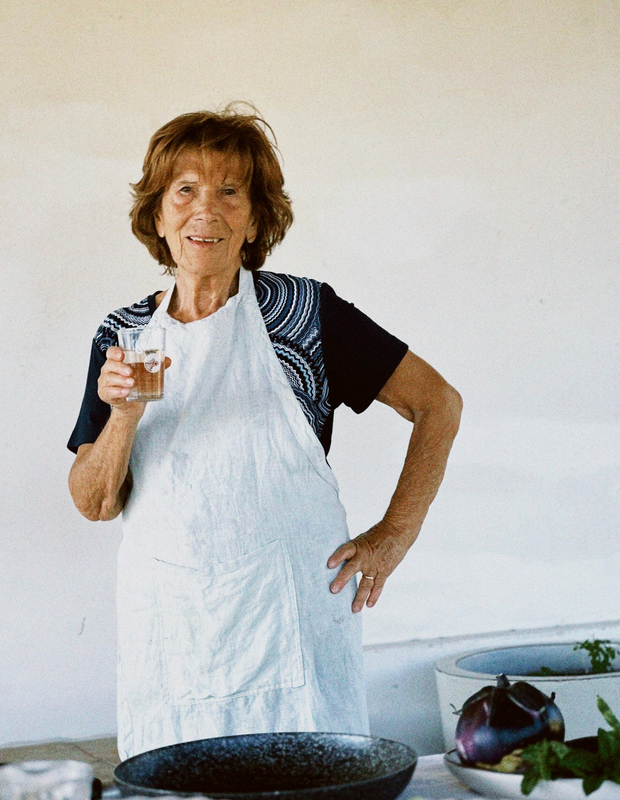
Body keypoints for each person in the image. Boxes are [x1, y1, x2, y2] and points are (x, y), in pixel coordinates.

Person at [67, 105, 462, 759]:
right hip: (173, 638)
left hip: (292, 627)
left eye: (230, 190)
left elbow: (438, 405)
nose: (207, 210)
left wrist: (394, 536)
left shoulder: (307, 314)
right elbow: (94, 500)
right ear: (157, 214)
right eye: (185, 189)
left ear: (255, 217)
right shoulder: (126, 338)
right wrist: (126, 416)